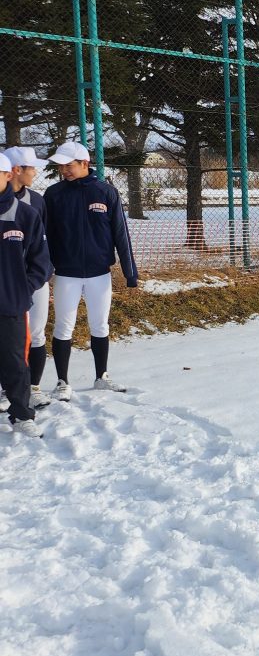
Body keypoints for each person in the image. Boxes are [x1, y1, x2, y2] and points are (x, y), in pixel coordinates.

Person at [43, 141, 138, 398]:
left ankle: (101, 376)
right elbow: (44, 235)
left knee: (100, 325)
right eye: (61, 165)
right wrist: (44, 268)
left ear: (85, 163)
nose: (64, 170)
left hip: (99, 274)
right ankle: (62, 381)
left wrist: (130, 271)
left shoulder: (106, 192)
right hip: (66, 273)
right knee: (63, 327)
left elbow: (121, 232)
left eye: (69, 165)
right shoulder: (53, 195)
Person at [0, 151, 53, 437]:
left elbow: (41, 261)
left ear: (8, 175)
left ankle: (21, 414)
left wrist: (24, 286)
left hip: (10, 303)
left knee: (14, 361)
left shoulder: (25, 215)